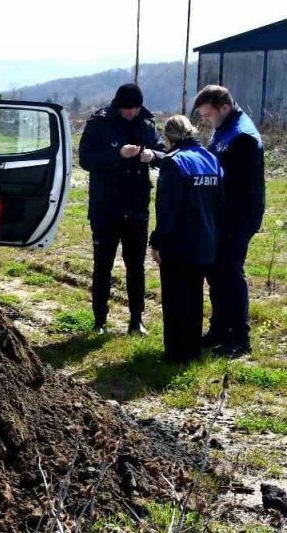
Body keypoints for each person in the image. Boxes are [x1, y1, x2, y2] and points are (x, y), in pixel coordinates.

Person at [77, 83, 166, 335]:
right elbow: (86, 159)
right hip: (106, 206)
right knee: (102, 265)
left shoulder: (147, 124)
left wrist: (152, 155)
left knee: (136, 266)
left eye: (135, 109)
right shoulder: (99, 123)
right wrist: (117, 153)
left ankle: (136, 319)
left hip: (137, 205)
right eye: (127, 110)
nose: (131, 114)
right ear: (118, 106)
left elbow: (163, 153)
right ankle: (99, 321)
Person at [193, 85, 265, 356]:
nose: (205, 120)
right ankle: (219, 329)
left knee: (230, 273)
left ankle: (239, 336)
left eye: (208, 114)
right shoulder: (224, 128)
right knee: (216, 273)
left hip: (237, 216)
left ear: (224, 107)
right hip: (220, 216)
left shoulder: (242, 136)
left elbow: (239, 187)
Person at [151, 115, 221, 363]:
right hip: (205, 241)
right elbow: (219, 204)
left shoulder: (173, 162)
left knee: (174, 298)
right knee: (194, 295)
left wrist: (158, 241)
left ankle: (175, 353)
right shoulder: (211, 159)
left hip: (179, 243)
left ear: (168, 138)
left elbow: (168, 209)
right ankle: (193, 348)